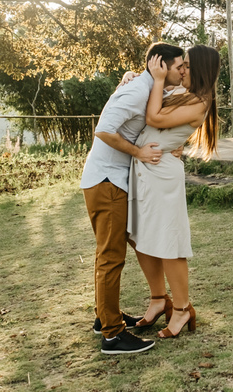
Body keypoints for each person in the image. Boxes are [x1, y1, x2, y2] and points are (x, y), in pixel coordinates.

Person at [79, 42, 184, 355]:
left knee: (113, 253)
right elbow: (104, 130)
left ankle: (104, 317)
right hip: (107, 181)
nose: (183, 71)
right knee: (111, 257)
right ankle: (112, 336)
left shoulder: (150, 89)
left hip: (116, 182)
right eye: (179, 66)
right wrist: (139, 152)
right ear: (160, 65)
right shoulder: (138, 90)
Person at [128, 44, 220, 339]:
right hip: (145, 170)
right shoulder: (184, 94)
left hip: (162, 175)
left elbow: (154, 118)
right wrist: (133, 78)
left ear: (202, 70)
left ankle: (182, 309)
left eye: (188, 66)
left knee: (169, 243)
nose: (183, 70)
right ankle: (158, 299)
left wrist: (156, 81)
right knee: (140, 237)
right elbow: (150, 106)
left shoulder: (198, 104)